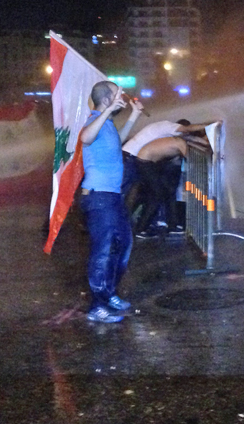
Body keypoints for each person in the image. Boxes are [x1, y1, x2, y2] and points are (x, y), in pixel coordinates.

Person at [79, 80, 144, 324]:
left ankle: (109, 293)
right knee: (104, 251)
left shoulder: (106, 124)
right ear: (106, 99)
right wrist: (107, 110)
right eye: (117, 94)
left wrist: (134, 116)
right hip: (98, 197)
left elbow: (118, 142)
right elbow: (85, 138)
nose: (122, 97)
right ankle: (97, 306)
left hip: (112, 196)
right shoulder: (94, 120)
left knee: (124, 244)